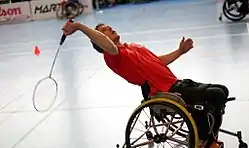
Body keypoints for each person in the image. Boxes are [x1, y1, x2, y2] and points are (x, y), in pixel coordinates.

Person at [62, 21, 229, 147]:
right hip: (163, 90)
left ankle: (207, 139)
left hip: (176, 83)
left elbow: (158, 61)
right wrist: (78, 26)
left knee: (222, 91)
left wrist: (179, 52)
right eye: (104, 31)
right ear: (100, 42)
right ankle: (203, 142)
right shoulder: (112, 55)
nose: (110, 29)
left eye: (108, 27)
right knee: (216, 95)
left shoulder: (133, 46)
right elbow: (105, 43)